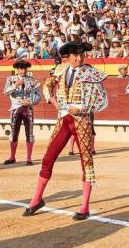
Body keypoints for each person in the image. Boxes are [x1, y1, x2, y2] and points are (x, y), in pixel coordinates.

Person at [23, 42, 108, 221]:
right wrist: (51, 100)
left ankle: (84, 207)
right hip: (63, 119)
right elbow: (45, 86)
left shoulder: (90, 72)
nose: (79, 58)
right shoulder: (60, 70)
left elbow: (102, 100)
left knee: (86, 161)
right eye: (76, 55)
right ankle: (37, 199)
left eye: (82, 55)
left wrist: (84, 108)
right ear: (67, 57)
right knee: (48, 158)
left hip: (81, 120)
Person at [3, 60, 42, 165]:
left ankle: (29, 159)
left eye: (25, 68)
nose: (23, 71)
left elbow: (39, 96)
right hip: (15, 108)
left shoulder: (33, 81)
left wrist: (30, 101)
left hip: (28, 108)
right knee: (14, 133)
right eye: (21, 68)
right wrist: (15, 85)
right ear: (17, 69)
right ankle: (12, 157)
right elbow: (5, 92)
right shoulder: (11, 79)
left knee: (29, 133)